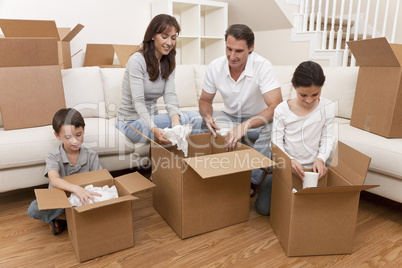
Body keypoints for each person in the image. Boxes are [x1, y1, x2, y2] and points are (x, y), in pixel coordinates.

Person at [198, 24, 283, 215]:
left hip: (256, 121)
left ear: (251, 48)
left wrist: (247, 125)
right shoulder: (215, 67)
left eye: (239, 51)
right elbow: (204, 100)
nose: (232, 56)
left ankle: (251, 181)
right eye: (229, 49)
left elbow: (276, 106)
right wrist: (208, 116)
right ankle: (211, 176)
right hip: (227, 117)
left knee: (276, 124)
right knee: (198, 120)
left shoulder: (263, 66)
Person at [116, 14, 202, 144]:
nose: (169, 43)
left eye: (173, 38)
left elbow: (170, 96)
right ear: (152, 35)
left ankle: (188, 160)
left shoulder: (169, 61)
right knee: (193, 119)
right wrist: (153, 128)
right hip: (130, 123)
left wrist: (175, 121)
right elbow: (138, 102)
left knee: (195, 119)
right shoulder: (137, 60)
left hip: (154, 118)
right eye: (164, 37)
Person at [27, 108, 103, 235]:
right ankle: (72, 218)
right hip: (62, 201)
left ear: (83, 129)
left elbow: (100, 180)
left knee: (106, 200)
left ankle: (63, 219)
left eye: (79, 135)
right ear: (57, 136)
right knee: (34, 208)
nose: (75, 141)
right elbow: (54, 179)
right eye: (68, 137)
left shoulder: (91, 156)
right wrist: (76, 189)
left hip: (83, 199)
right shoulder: (53, 156)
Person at [271, 61, 335, 180]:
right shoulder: (282, 109)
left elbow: (328, 138)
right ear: (293, 86)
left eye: (315, 94)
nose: (309, 100)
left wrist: (321, 159)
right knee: (270, 195)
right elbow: (276, 142)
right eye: (303, 95)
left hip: (314, 168)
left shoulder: (328, 107)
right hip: (287, 165)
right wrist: (289, 160)